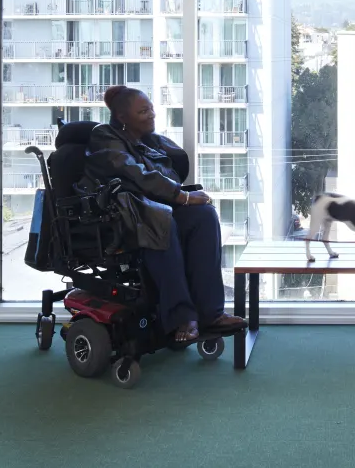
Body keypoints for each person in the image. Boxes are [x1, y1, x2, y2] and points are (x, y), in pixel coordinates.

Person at [87, 85, 246, 344]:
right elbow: (133, 172)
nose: (151, 115)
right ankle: (182, 316)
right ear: (122, 118)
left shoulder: (146, 139)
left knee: (204, 216)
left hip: (154, 210)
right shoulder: (104, 137)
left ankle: (211, 313)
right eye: (143, 111)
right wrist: (180, 197)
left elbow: (170, 173)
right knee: (161, 220)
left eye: (151, 109)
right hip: (120, 217)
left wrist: (182, 195)